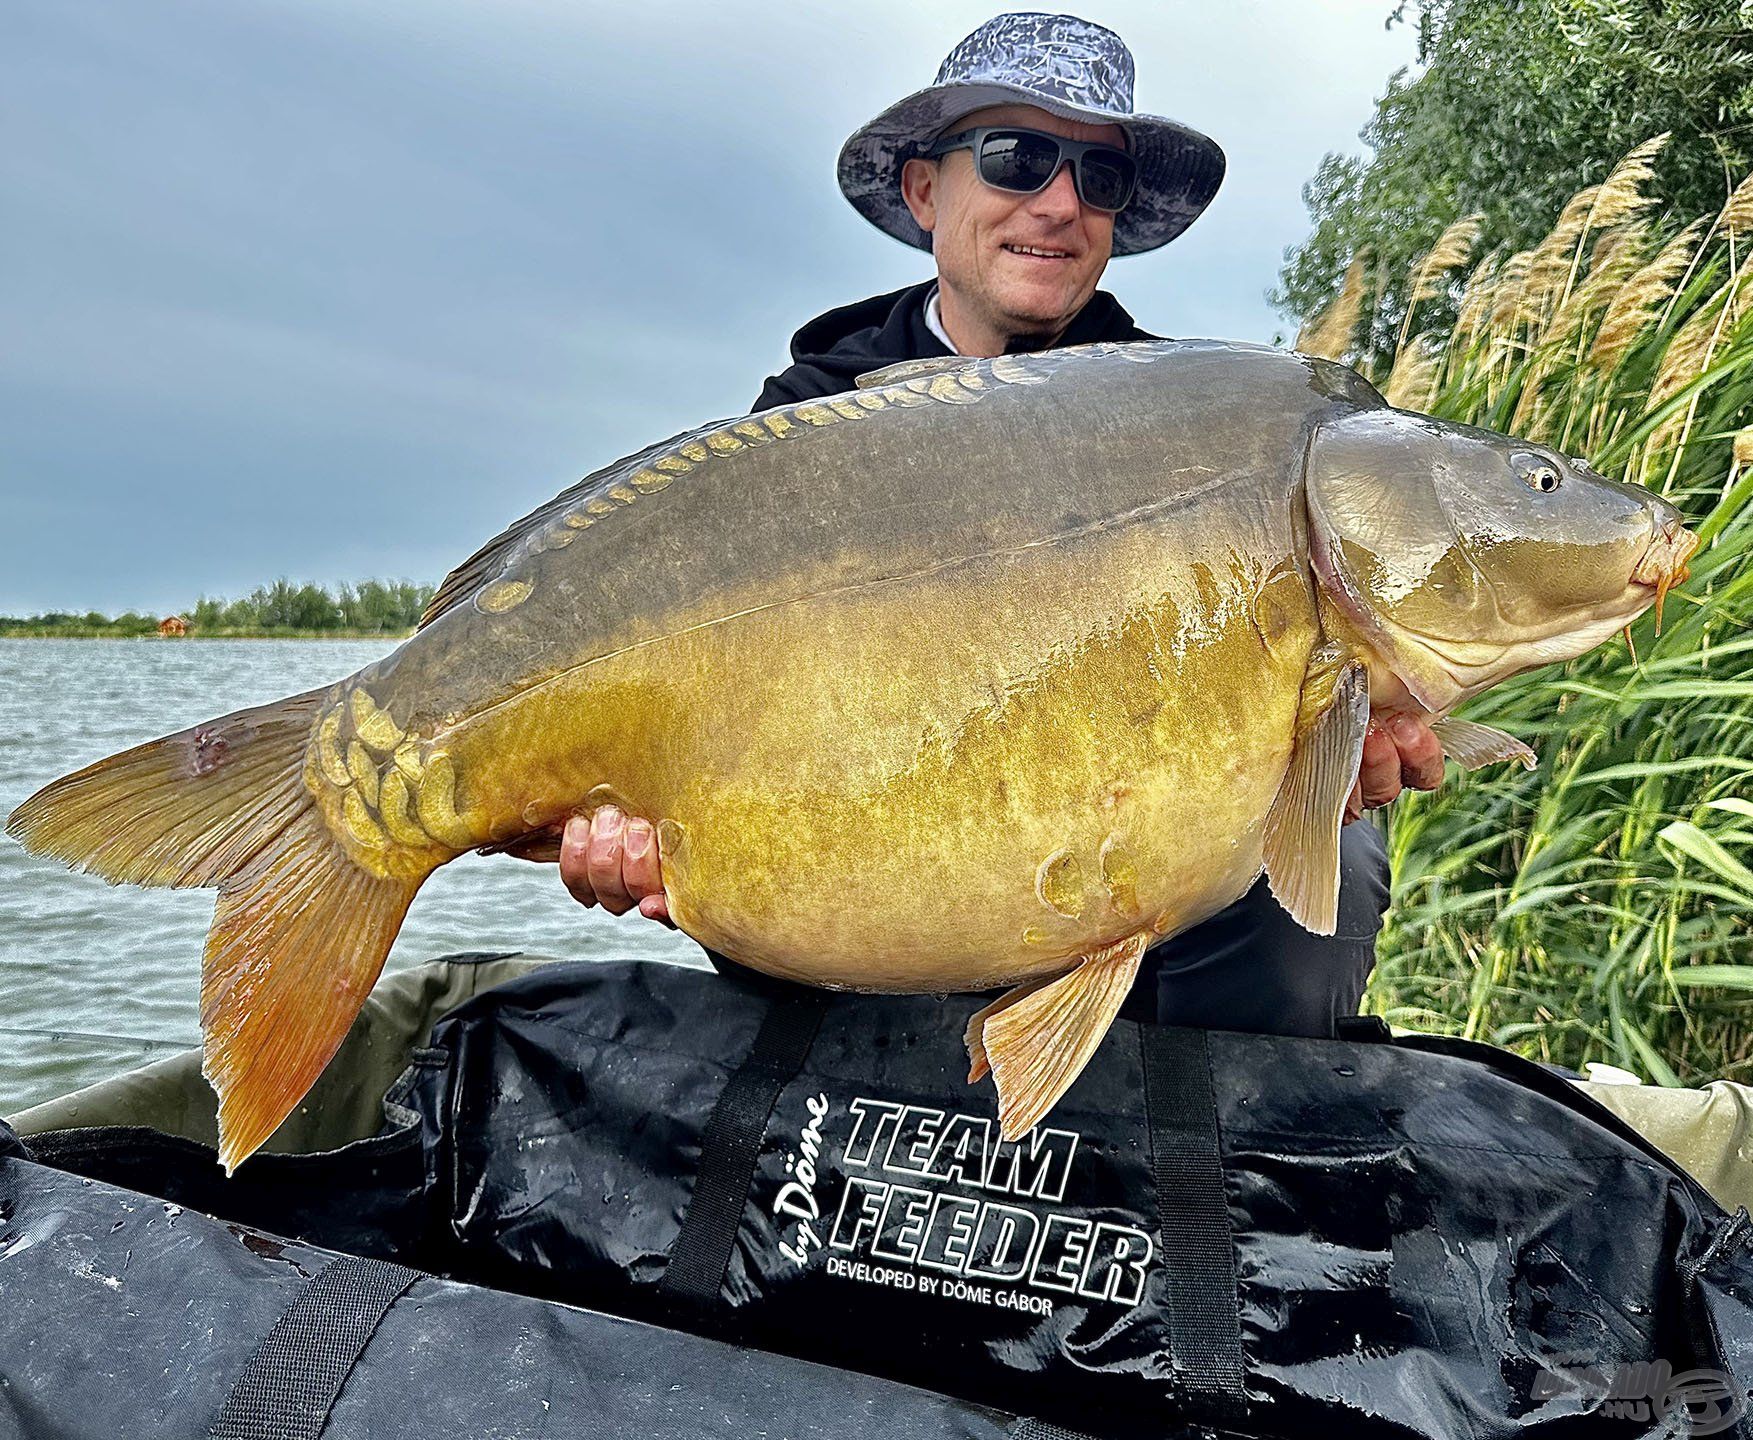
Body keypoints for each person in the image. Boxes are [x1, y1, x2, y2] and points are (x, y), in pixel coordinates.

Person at [521, 12, 1446, 1036]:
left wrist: (1329, 757)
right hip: (861, 847)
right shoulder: (800, 428)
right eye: (1018, 159)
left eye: (1098, 179)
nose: (1059, 203)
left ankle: (1196, 1137)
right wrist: (622, 836)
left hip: (1117, 870)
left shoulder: (1186, 428)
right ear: (925, 190)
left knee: (1339, 858)